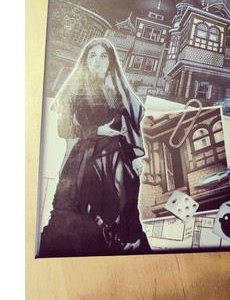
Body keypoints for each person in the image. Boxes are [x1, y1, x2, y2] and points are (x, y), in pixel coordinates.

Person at [39, 38, 151, 256]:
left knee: (123, 209)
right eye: (92, 55)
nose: (97, 61)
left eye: (103, 56)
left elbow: (120, 129)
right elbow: (64, 128)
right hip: (85, 160)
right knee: (80, 220)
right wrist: (97, 130)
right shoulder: (73, 89)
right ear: (85, 60)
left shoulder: (112, 93)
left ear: (110, 63)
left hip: (115, 161)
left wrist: (133, 157)